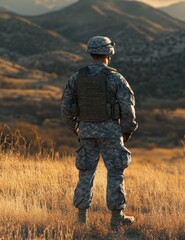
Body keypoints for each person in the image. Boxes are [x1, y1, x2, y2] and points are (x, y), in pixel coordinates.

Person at [60, 36, 138, 230]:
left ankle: (81, 219)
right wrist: (126, 131)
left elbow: (66, 107)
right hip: (111, 132)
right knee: (115, 173)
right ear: (109, 53)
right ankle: (116, 217)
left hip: (86, 131)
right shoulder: (115, 78)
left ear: (90, 52)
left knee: (85, 172)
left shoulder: (77, 77)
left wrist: (75, 129)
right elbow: (128, 109)